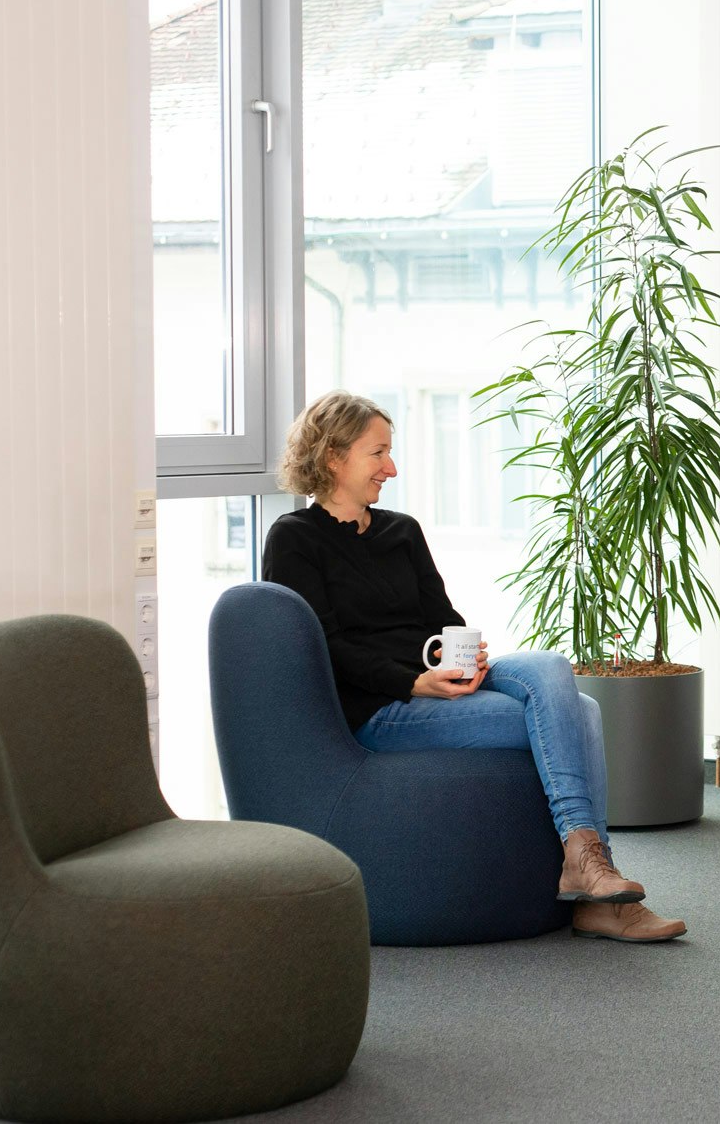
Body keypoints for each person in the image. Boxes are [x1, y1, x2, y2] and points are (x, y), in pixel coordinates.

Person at [262, 390, 685, 943]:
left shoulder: (401, 530)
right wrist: (414, 681)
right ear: (333, 456)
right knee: (577, 715)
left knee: (554, 672)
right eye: (378, 453)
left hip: (434, 683)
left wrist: (456, 657)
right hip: (383, 707)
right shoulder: (294, 539)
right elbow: (324, 646)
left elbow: (441, 617)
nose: (391, 468)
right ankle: (598, 888)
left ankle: (590, 872)